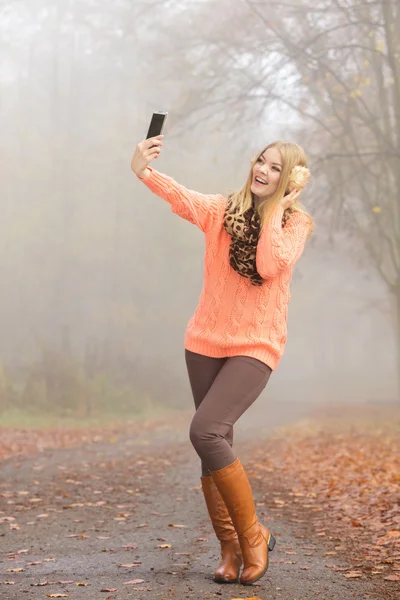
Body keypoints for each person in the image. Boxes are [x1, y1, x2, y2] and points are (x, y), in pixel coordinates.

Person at [131, 134, 314, 586]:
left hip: (257, 345)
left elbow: (270, 265)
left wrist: (278, 207)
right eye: (260, 161)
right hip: (205, 342)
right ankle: (229, 547)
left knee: (205, 431)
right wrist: (142, 170)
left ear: (290, 180)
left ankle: (253, 536)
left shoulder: (296, 224)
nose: (263, 171)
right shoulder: (221, 210)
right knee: (214, 447)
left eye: (276, 168)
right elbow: (182, 197)